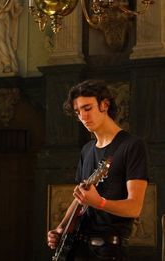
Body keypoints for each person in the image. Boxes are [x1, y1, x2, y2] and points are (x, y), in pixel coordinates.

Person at [47, 79, 149, 260]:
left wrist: (99, 202)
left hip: (108, 250)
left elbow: (134, 207)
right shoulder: (87, 150)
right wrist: (61, 227)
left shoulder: (132, 146)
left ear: (104, 104)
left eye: (88, 108)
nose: (83, 116)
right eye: (78, 112)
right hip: (77, 247)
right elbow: (80, 197)